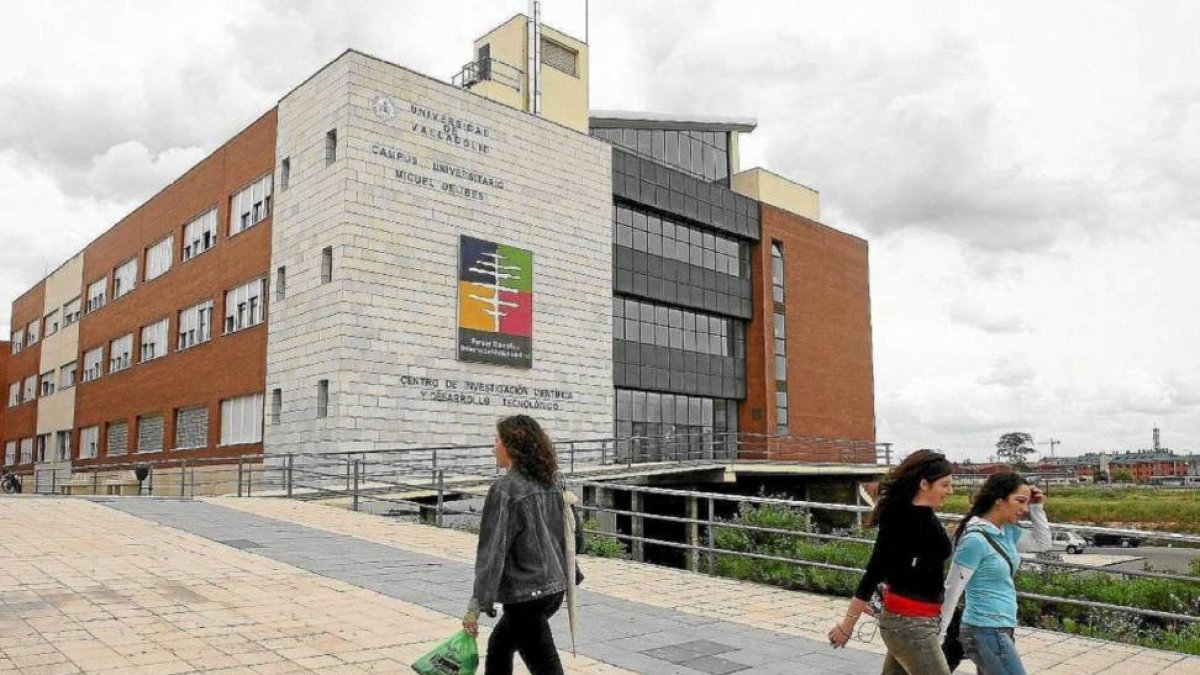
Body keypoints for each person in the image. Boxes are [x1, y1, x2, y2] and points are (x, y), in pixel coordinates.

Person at [462, 415, 583, 675]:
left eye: (497, 441)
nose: (493, 447)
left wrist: (475, 607)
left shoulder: (505, 489)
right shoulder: (553, 481)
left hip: (526, 597)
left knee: (547, 669)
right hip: (554, 589)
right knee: (499, 646)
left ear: (511, 446)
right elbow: (577, 538)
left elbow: (492, 554)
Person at [829, 449, 956, 675]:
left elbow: (921, 556)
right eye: (945, 485)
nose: (950, 491)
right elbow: (875, 571)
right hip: (908, 624)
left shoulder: (925, 514)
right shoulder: (900, 518)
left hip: (919, 620)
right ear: (924, 484)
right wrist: (848, 624)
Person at [939, 472, 1051, 675]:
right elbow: (952, 589)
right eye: (1020, 501)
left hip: (1002, 627)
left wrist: (1037, 507)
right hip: (984, 629)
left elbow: (1043, 543)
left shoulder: (1006, 532)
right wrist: (938, 635)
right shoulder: (975, 539)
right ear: (999, 499)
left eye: (1027, 503)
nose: (1024, 509)